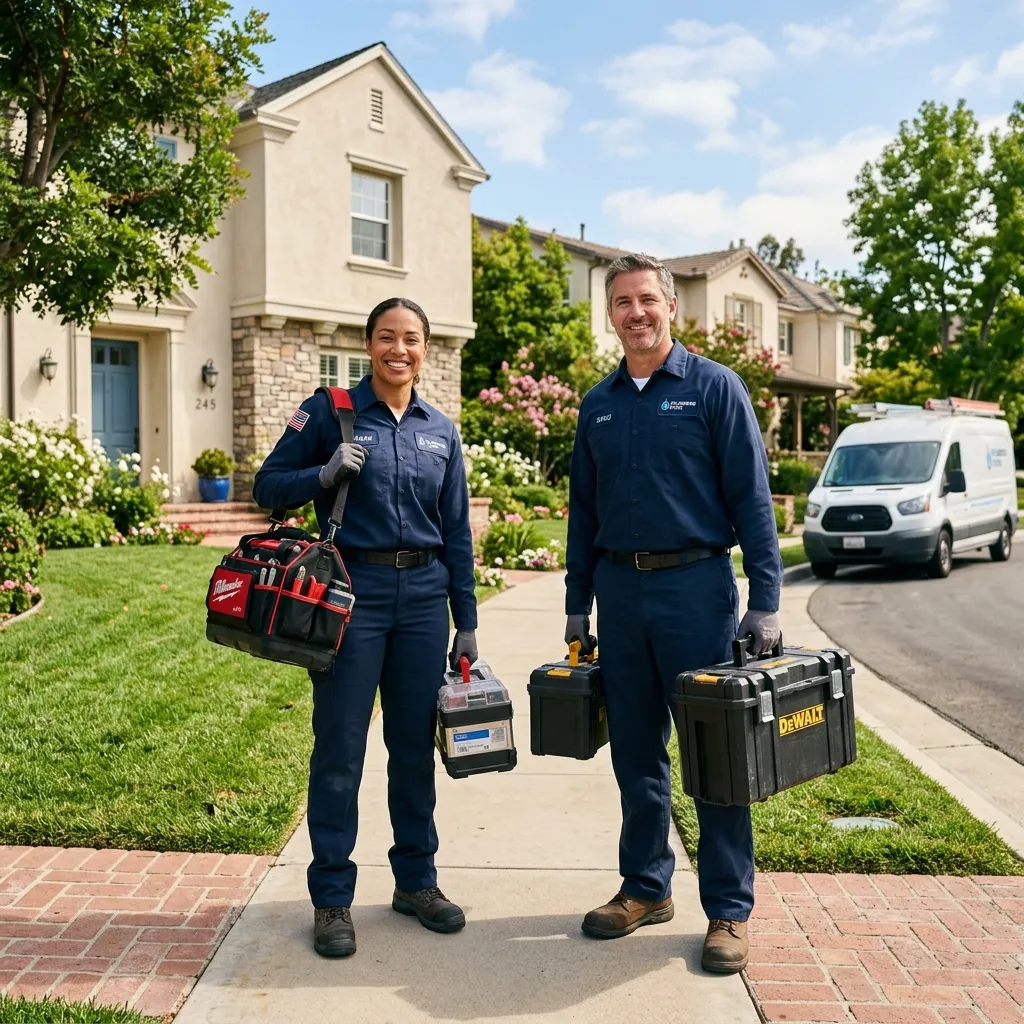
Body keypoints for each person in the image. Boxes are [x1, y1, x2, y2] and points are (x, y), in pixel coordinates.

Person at [564, 253, 783, 974]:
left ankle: (728, 909)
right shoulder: (597, 404)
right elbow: (582, 514)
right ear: (609, 315)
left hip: (697, 589)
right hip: (621, 595)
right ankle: (646, 887)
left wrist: (766, 601)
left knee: (715, 753)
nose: (636, 313)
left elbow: (752, 499)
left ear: (671, 307)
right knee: (635, 750)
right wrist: (577, 605)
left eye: (647, 300)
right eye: (622, 302)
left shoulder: (715, 388)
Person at [253, 297, 479, 959]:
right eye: (386, 337)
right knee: (340, 749)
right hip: (353, 597)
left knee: (413, 750)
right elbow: (268, 486)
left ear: (425, 350)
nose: (397, 350)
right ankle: (331, 897)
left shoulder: (440, 431)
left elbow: (457, 533)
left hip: (424, 601)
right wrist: (321, 473)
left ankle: (417, 882)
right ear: (368, 344)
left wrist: (465, 622)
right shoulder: (332, 412)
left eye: (410, 339)